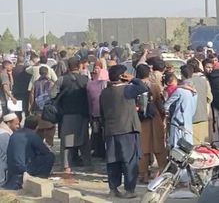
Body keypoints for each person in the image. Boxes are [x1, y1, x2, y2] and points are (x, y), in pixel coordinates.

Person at [100, 64, 147, 199]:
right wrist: (133, 79)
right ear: (122, 76)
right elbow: (143, 87)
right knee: (129, 160)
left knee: (113, 161)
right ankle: (129, 189)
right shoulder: (127, 90)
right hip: (127, 130)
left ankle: (113, 188)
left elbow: (101, 113)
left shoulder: (104, 92)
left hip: (110, 130)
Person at [52, 56, 91, 174]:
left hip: (67, 115)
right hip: (83, 114)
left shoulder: (62, 79)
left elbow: (53, 94)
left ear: (68, 67)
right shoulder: (86, 80)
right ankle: (88, 164)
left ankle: (66, 167)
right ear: (79, 66)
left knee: (67, 142)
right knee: (84, 140)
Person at [135, 64, 167, 184]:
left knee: (143, 148)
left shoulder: (133, 87)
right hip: (155, 118)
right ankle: (163, 172)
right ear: (148, 74)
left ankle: (143, 175)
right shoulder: (154, 87)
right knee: (159, 146)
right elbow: (160, 104)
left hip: (141, 120)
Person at [4, 116, 54, 190]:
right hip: (24, 168)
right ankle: (40, 178)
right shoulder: (32, 135)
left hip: (12, 167)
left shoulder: (14, 134)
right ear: (37, 127)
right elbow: (45, 151)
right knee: (50, 156)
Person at [164, 65, 197, 147]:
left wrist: (167, 114)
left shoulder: (179, 91)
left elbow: (166, 105)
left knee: (176, 145)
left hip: (177, 120)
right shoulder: (195, 92)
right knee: (188, 146)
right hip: (188, 121)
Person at [30, 66, 55, 146]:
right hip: (49, 111)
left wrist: (31, 107)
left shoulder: (35, 83)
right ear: (47, 72)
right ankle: (49, 146)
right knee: (49, 130)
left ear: (39, 73)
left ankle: (39, 147)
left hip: (38, 110)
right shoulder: (51, 83)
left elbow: (32, 96)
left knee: (39, 129)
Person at [189, 63, 212, 144]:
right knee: (203, 144)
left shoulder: (185, 83)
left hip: (190, 119)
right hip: (203, 116)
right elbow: (210, 98)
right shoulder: (204, 81)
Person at [0, 113, 20, 186]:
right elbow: (8, 153)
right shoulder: (4, 135)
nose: (18, 126)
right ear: (8, 123)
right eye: (16, 124)